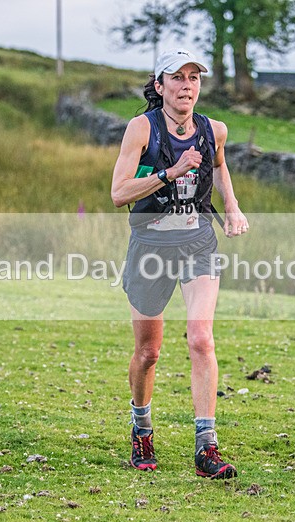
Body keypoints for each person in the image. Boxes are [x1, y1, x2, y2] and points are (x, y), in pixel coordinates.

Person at [110, 48, 249, 479]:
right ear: (160, 86)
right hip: (150, 245)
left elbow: (220, 167)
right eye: (177, 78)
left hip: (197, 241)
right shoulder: (141, 129)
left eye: (193, 78)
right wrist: (169, 173)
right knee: (149, 352)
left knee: (201, 340)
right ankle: (141, 430)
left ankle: (206, 448)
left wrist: (232, 207)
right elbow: (118, 193)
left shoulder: (213, 130)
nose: (186, 85)